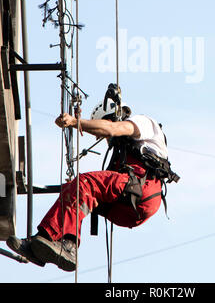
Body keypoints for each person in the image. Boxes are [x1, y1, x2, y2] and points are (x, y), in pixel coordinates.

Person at [7, 95, 177, 272]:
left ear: (113, 115)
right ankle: (45, 242)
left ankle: (67, 245)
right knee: (76, 189)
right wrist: (72, 189)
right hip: (128, 208)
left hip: (144, 191)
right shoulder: (123, 153)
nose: (104, 139)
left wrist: (75, 122)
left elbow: (111, 129)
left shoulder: (142, 122)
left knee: (84, 184)